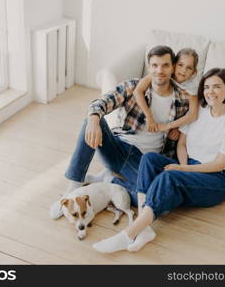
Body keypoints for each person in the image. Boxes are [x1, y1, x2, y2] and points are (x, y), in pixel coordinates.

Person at [92, 68, 225, 253]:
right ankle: (145, 227)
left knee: (169, 178)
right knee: (149, 159)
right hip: (189, 165)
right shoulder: (199, 110)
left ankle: (128, 234)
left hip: (217, 179)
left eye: (217, 87)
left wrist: (182, 170)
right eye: (206, 87)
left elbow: (219, 164)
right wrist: (183, 166)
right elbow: (182, 144)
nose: (210, 92)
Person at [49, 45, 198, 219]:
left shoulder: (183, 98)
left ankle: (108, 180)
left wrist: (178, 131)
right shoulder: (133, 86)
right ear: (148, 67)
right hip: (119, 149)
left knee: (160, 207)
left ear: (172, 67)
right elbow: (101, 103)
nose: (160, 70)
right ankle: (73, 186)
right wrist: (94, 119)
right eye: (155, 65)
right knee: (91, 119)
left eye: (165, 65)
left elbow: (191, 122)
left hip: (144, 162)